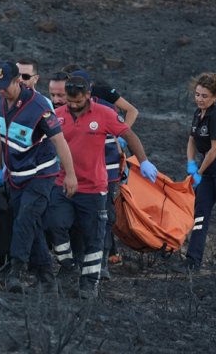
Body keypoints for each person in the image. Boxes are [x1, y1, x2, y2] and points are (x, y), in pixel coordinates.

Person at [44, 75, 158, 299]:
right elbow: (40, 140)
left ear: (88, 95)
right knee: (55, 223)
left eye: (78, 101)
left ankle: (89, 283)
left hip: (94, 187)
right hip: (63, 184)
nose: (74, 106)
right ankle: (67, 265)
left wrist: (143, 160)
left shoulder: (104, 114)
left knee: (94, 236)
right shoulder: (57, 116)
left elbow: (128, 134)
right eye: (70, 101)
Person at [0, 61, 78, 293]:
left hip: (41, 173)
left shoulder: (39, 106)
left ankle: (15, 270)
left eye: (3, 85)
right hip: (16, 174)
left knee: (25, 219)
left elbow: (60, 141)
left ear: (17, 81)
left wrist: (70, 175)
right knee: (31, 223)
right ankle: (45, 276)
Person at [65, 67, 140, 278]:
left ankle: (103, 260)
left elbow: (132, 110)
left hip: (108, 163)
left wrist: (120, 135)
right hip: (81, 166)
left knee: (105, 213)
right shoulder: (69, 102)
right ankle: (80, 259)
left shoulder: (104, 93)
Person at [174, 72, 216, 276]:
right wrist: (190, 164)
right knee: (200, 214)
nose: (199, 99)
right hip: (207, 166)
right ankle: (193, 261)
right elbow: (192, 140)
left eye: (204, 96)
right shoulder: (197, 114)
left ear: (215, 97)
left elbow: (215, 148)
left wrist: (199, 172)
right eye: (197, 94)